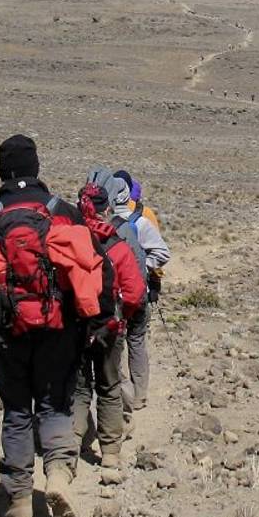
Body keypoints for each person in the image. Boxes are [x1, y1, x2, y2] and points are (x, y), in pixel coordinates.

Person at [0, 135, 109, 517]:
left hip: (8, 331)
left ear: (2, 171)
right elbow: (98, 269)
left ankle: (20, 503)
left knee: (18, 411)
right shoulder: (64, 213)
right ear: (37, 168)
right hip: (59, 330)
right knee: (54, 405)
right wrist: (93, 322)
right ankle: (57, 476)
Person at [71, 181, 147, 467]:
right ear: (106, 209)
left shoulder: (68, 242)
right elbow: (135, 292)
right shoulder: (117, 246)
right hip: (110, 328)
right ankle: (111, 453)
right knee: (109, 387)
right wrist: (121, 316)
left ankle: (72, 446)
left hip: (77, 327)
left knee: (78, 388)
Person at [105, 174, 170, 424]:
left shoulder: (110, 223)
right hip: (139, 291)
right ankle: (138, 394)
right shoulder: (141, 220)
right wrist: (145, 270)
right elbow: (162, 252)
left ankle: (126, 396)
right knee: (137, 341)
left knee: (120, 342)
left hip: (119, 296)